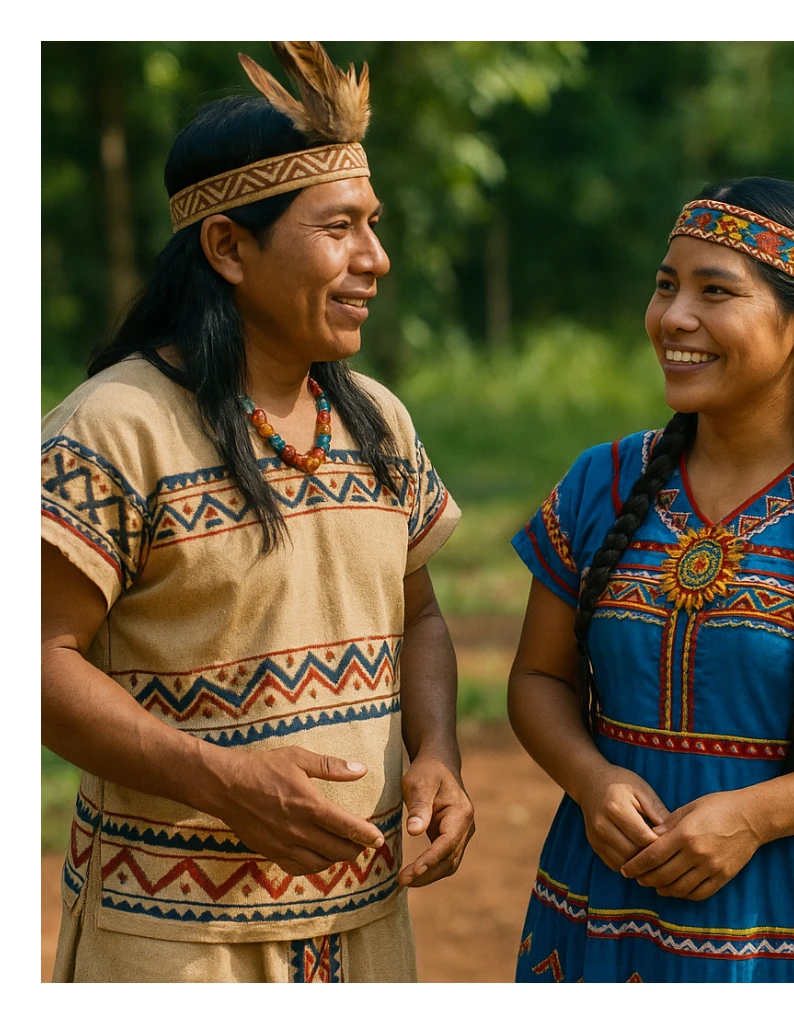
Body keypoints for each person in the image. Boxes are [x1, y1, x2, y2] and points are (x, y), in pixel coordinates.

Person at [41, 41, 474, 983]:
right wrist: (221, 782)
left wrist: (436, 752)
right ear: (228, 247)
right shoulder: (117, 429)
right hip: (175, 948)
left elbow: (421, 614)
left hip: (365, 930)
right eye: (340, 228)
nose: (376, 258)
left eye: (375, 224)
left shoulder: (379, 423)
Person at [507, 176, 794, 983]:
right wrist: (592, 783)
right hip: (601, 906)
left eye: (715, 291)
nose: (675, 318)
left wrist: (755, 817)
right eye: (666, 286)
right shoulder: (603, 481)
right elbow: (539, 676)